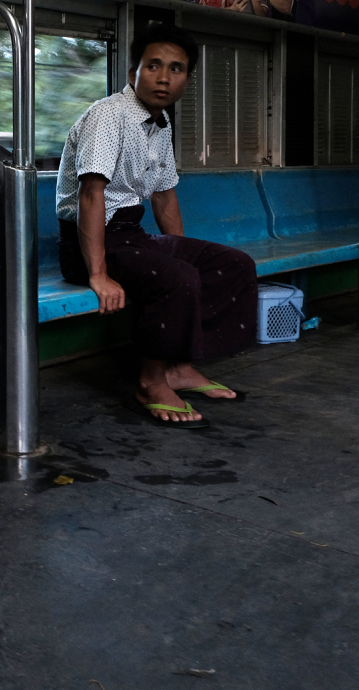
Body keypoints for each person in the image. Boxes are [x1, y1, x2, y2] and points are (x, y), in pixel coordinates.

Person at [54, 23, 258, 428]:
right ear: (134, 73)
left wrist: (182, 257)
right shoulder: (109, 116)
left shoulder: (159, 125)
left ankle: (178, 366)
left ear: (187, 78)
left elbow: (164, 196)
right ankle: (150, 381)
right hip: (89, 242)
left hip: (131, 237)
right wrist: (97, 274)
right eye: (154, 66)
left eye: (176, 69)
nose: (164, 77)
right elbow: (91, 195)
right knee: (176, 279)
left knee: (234, 265)